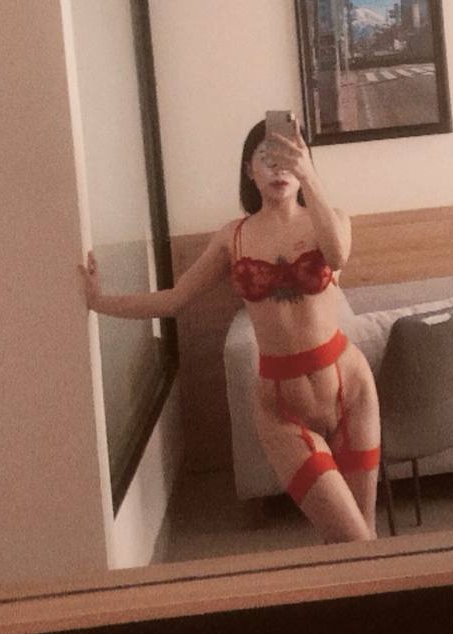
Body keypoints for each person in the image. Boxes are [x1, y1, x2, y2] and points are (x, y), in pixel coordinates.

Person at [79, 117, 381, 544]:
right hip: (281, 409)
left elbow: (338, 256)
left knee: (365, 535)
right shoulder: (232, 238)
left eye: (287, 158)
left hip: (351, 390)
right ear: (248, 170)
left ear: (304, 163)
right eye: (265, 158)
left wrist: (310, 176)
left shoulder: (331, 220)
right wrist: (99, 302)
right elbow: (174, 300)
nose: (278, 168)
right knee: (354, 540)